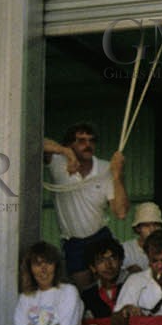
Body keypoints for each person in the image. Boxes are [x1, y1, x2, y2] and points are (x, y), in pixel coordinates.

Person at [42, 123, 127, 289]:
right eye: (81, 141)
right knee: (85, 293)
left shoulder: (105, 168)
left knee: (110, 289)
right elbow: (36, 141)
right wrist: (65, 152)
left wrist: (117, 176)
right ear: (70, 144)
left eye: (91, 140)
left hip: (100, 237)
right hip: (73, 242)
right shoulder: (58, 162)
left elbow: (121, 212)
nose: (88, 145)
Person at [122, 201, 162, 276]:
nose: (152, 229)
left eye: (156, 225)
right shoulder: (125, 250)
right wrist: (128, 272)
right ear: (138, 228)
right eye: (147, 225)